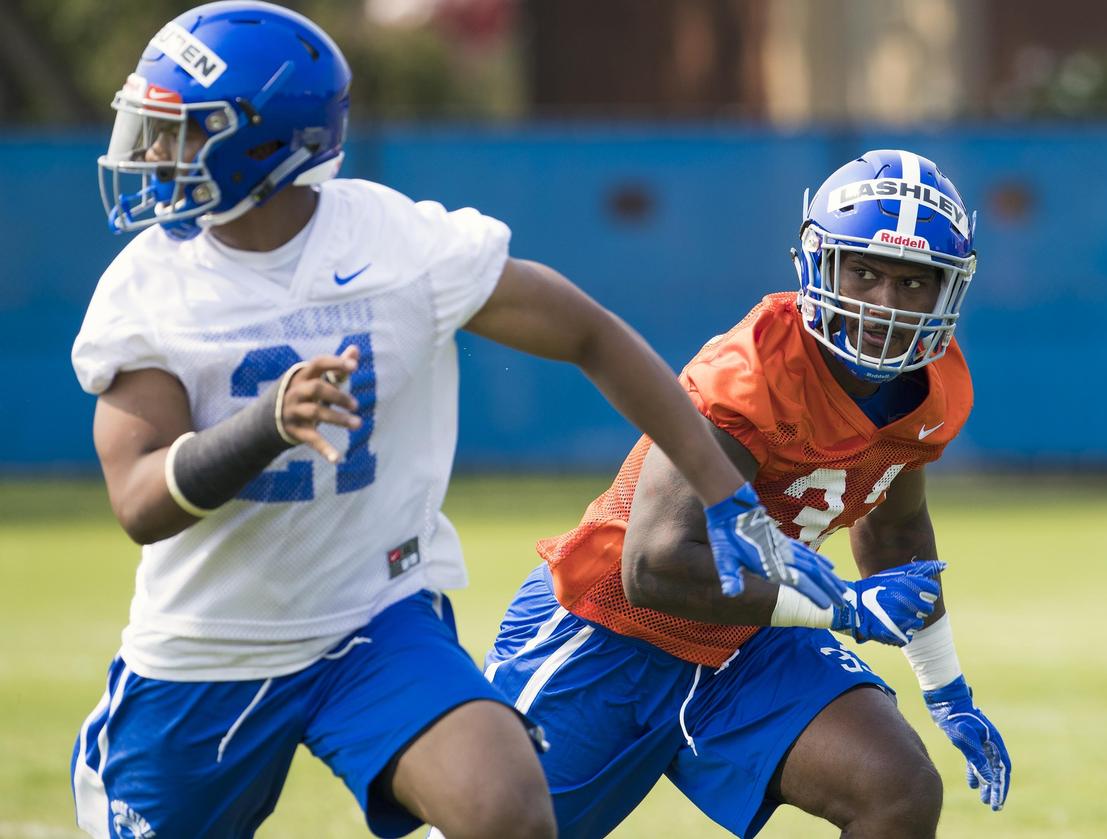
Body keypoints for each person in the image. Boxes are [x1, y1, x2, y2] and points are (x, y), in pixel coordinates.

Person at [68, 3, 849, 837]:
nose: (152, 152)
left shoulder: (398, 245)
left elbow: (589, 333)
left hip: (372, 617)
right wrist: (265, 423)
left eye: (182, 130)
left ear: (267, 141)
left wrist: (722, 491)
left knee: (506, 805)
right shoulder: (146, 284)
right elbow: (139, 500)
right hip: (208, 643)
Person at [479, 149, 1012, 838]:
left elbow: (895, 530)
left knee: (897, 788)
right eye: (867, 272)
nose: (885, 302)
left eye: (914, 283)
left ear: (949, 289)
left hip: (747, 641)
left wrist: (946, 688)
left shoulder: (933, 385)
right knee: (496, 826)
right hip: (608, 632)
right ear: (821, 263)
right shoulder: (753, 365)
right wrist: (841, 607)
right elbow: (656, 566)